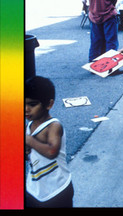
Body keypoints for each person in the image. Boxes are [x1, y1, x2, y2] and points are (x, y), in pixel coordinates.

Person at [25, 76, 73, 208]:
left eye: (32, 104)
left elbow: (52, 151)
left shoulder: (53, 126)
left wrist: (29, 140)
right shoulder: (29, 126)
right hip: (34, 188)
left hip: (57, 189)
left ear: (49, 104)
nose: (26, 109)